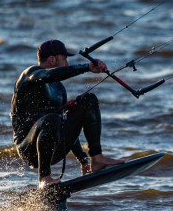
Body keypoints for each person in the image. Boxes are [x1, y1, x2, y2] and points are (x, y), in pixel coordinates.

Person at [11, 39, 123, 188]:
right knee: (52, 118)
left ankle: (96, 158)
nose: (67, 65)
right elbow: (49, 76)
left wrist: (82, 160)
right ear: (52, 59)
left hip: (55, 146)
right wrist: (87, 67)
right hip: (29, 148)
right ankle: (44, 178)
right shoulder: (29, 74)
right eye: (64, 60)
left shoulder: (59, 89)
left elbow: (63, 123)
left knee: (87, 100)